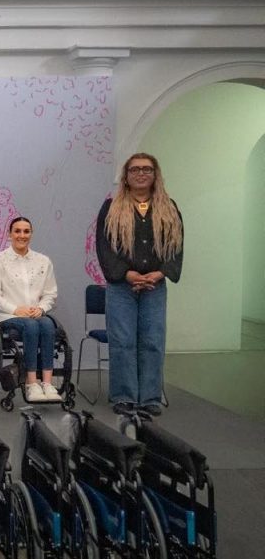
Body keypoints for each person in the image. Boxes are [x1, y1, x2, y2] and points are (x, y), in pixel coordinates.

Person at [96, 152, 183, 416]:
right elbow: (104, 248)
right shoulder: (111, 208)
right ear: (126, 176)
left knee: (153, 341)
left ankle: (150, 398)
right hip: (122, 286)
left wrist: (160, 273)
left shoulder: (169, 208)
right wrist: (126, 274)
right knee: (122, 341)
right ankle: (124, 396)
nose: (141, 173)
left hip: (155, 286)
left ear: (155, 175)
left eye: (147, 169)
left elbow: (176, 247)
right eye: (135, 169)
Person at [0, 217, 61, 403]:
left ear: (31, 234)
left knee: (47, 324)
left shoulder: (43, 261)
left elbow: (50, 293)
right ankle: (31, 383)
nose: (22, 235)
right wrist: (16, 309)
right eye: (17, 231)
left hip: (35, 314)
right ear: (9, 234)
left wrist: (41, 308)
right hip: (8, 316)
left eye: (26, 231)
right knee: (31, 327)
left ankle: (47, 383)